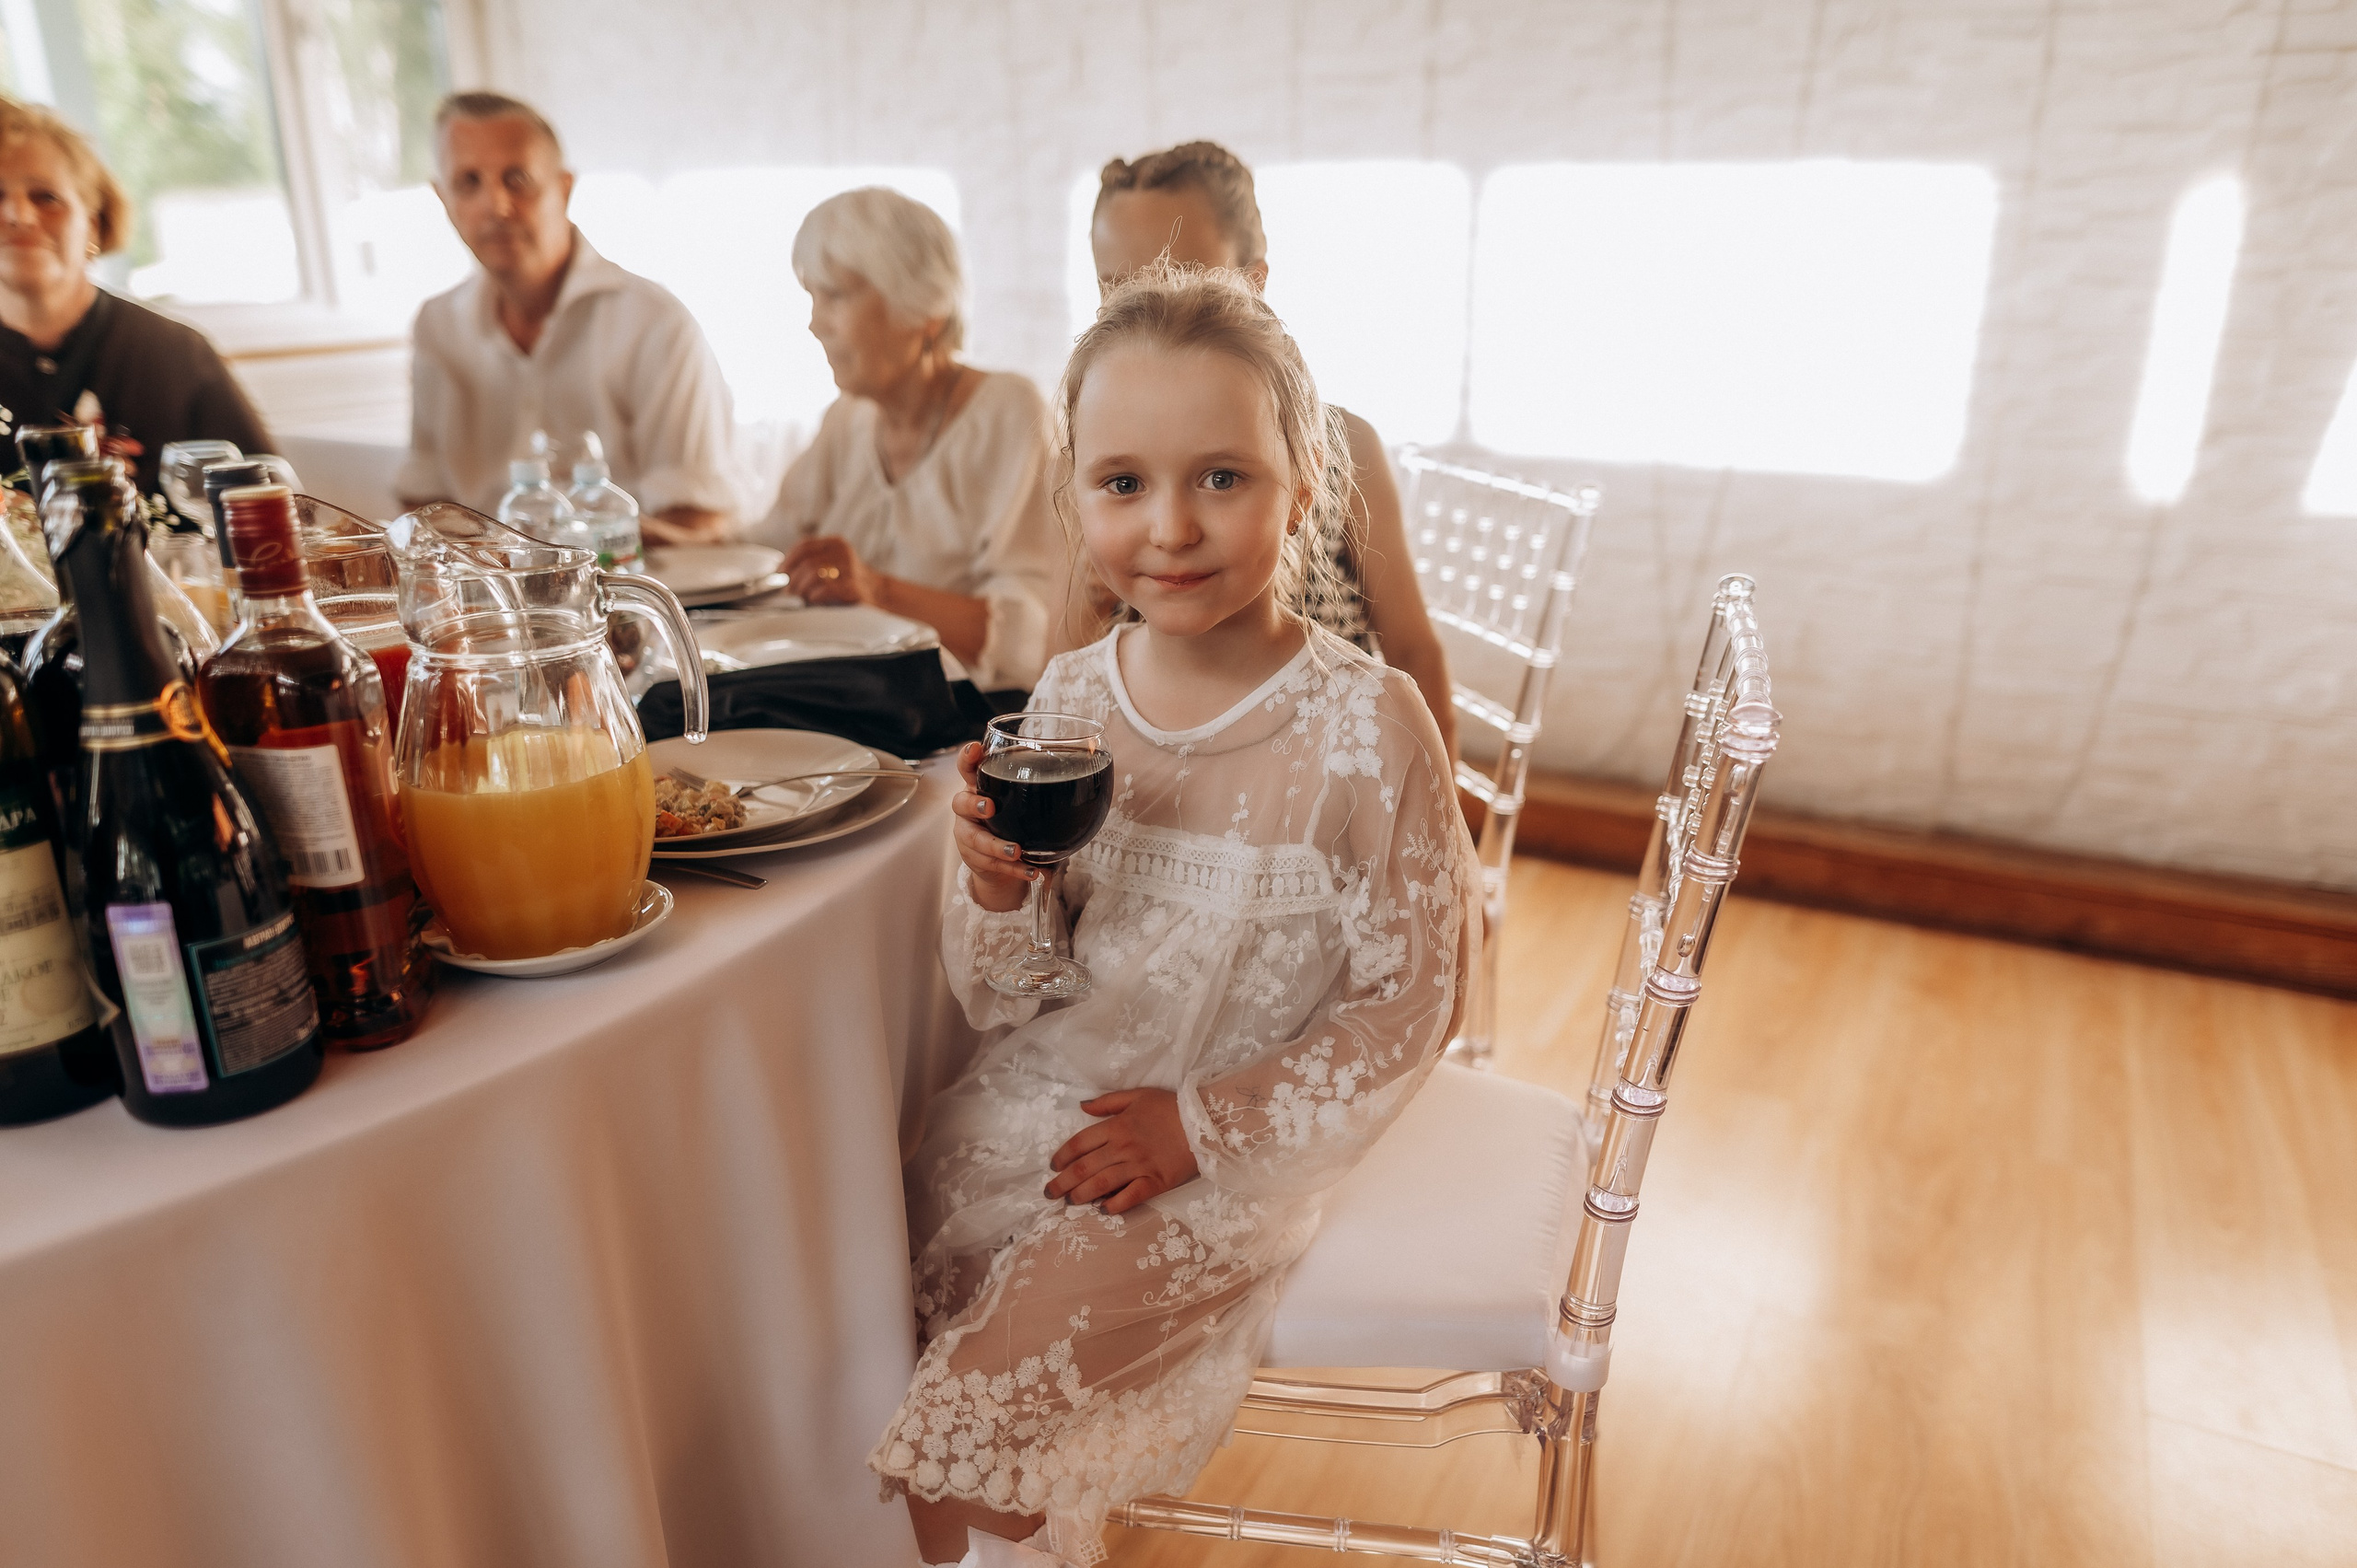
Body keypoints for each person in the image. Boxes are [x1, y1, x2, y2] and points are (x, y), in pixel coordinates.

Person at [873, 262, 1478, 1567]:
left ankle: (1011, 1530)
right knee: (884, 1284)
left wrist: (1202, 1126)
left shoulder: (1369, 727)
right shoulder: (1076, 701)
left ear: (1303, 485)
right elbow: (1011, 989)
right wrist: (994, 890)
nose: (1172, 528)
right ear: (1076, 495)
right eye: (1124, 482)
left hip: (1230, 1143)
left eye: (1222, 476)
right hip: (1052, 1099)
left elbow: (1414, 1004)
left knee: (978, 1409)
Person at [1084, 140, 1459, 761]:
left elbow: (1415, 649)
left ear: (1256, 281)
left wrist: (1438, 808)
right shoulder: (1096, 465)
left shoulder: (1344, 444)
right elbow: (1063, 672)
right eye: (1119, 286)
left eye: (1185, 275)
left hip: (1328, 768)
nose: (1153, 306)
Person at [747, 188, 1061, 693]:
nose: (813, 323)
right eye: (812, 298)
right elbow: (768, 547)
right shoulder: (847, 421)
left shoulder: (1008, 411)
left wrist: (875, 588)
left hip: (960, 723)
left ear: (921, 305)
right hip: (843, 697)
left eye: (836, 296)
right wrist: (678, 545)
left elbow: (1032, 637)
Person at [396, 92, 737, 542]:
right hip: (484, 605)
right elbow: (422, 503)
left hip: (629, 595)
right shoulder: (435, 326)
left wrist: (564, 555)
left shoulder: (655, 324)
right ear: (442, 198)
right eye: (468, 182)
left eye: (517, 179)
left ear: (565, 187)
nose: (495, 205)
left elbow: (700, 521)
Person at [0, 98, 271, 499]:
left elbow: (266, 512)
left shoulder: (179, 355)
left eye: (46, 197)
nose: (19, 215)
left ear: (92, 225)